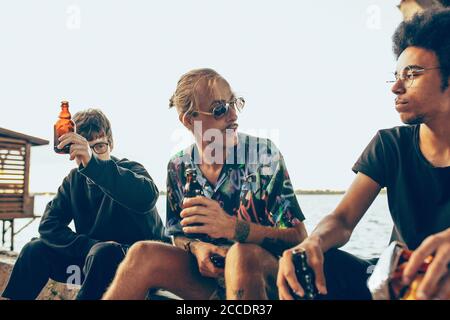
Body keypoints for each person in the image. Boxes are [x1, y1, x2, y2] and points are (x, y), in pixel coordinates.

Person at [277, 8, 450, 300]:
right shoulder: (390, 145)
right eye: (396, 76)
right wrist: (313, 242)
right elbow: (343, 220)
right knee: (311, 265)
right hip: (391, 282)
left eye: (412, 74)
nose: (396, 87)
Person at [103, 68, 307, 300]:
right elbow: (178, 235)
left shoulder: (263, 155)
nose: (233, 116)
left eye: (234, 103)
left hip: (268, 282)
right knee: (141, 253)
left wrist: (234, 228)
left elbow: (299, 237)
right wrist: (197, 248)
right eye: (219, 109)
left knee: (241, 257)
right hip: (209, 283)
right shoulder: (178, 166)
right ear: (189, 120)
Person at [1, 109, 168, 300]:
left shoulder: (130, 170)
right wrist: (90, 245)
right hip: (95, 264)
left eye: (98, 147)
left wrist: (95, 166)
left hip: (142, 267)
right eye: (83, 149)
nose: (90, 155)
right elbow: (48, 226)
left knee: (103, 253)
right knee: (35, 249)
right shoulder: (73, 181)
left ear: (111, 144)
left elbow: (146, 198)